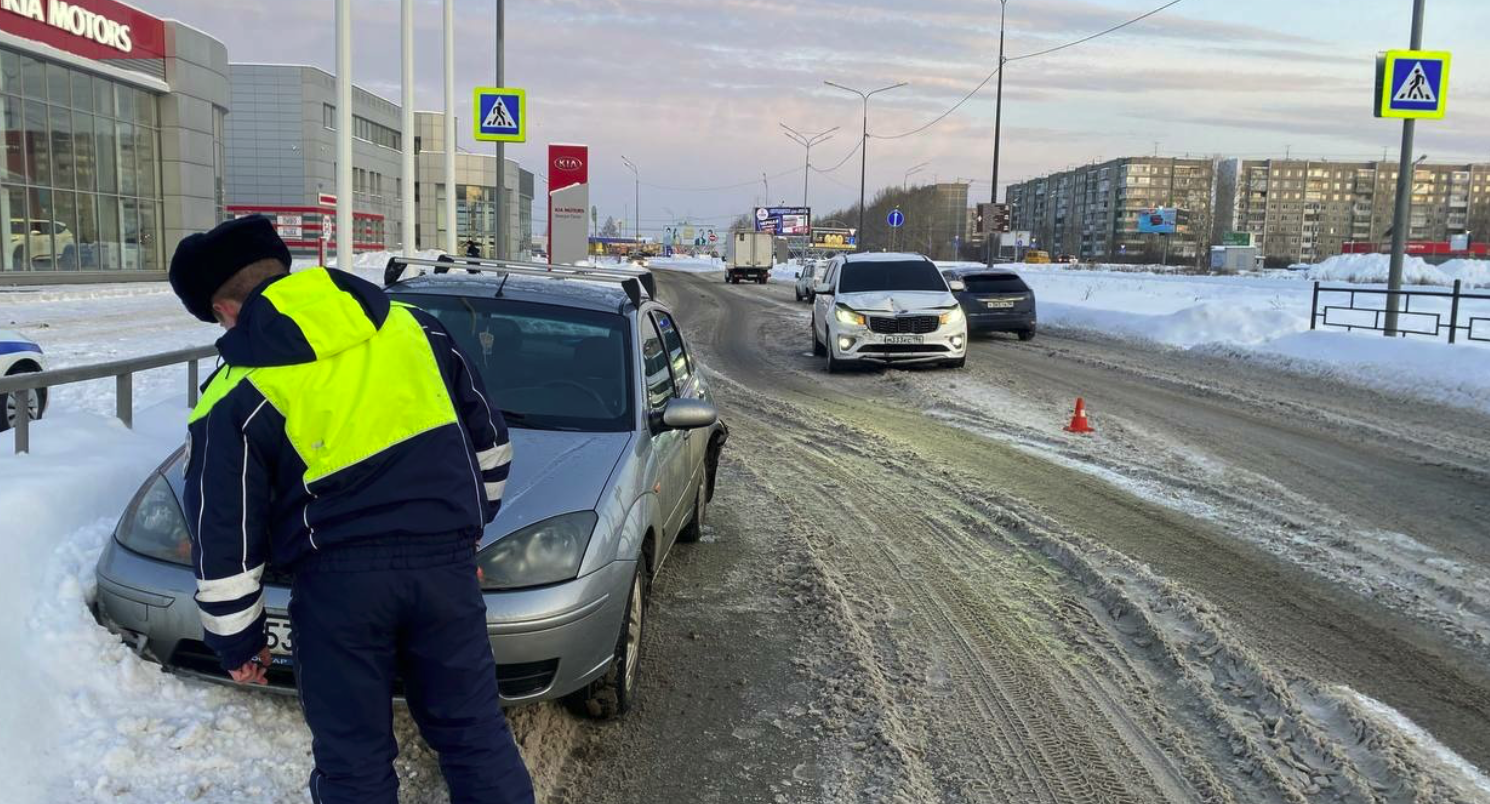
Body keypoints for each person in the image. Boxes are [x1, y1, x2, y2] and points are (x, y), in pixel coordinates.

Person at [168, 215, 534, 804]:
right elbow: (490, 444)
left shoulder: (235, 389)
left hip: (338, 593)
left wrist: (238, 640)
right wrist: (464, 538)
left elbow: (224, 532)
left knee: (354, 764)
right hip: (443, 574)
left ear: (225, 309)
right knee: (474, 735)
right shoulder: (416, 329)